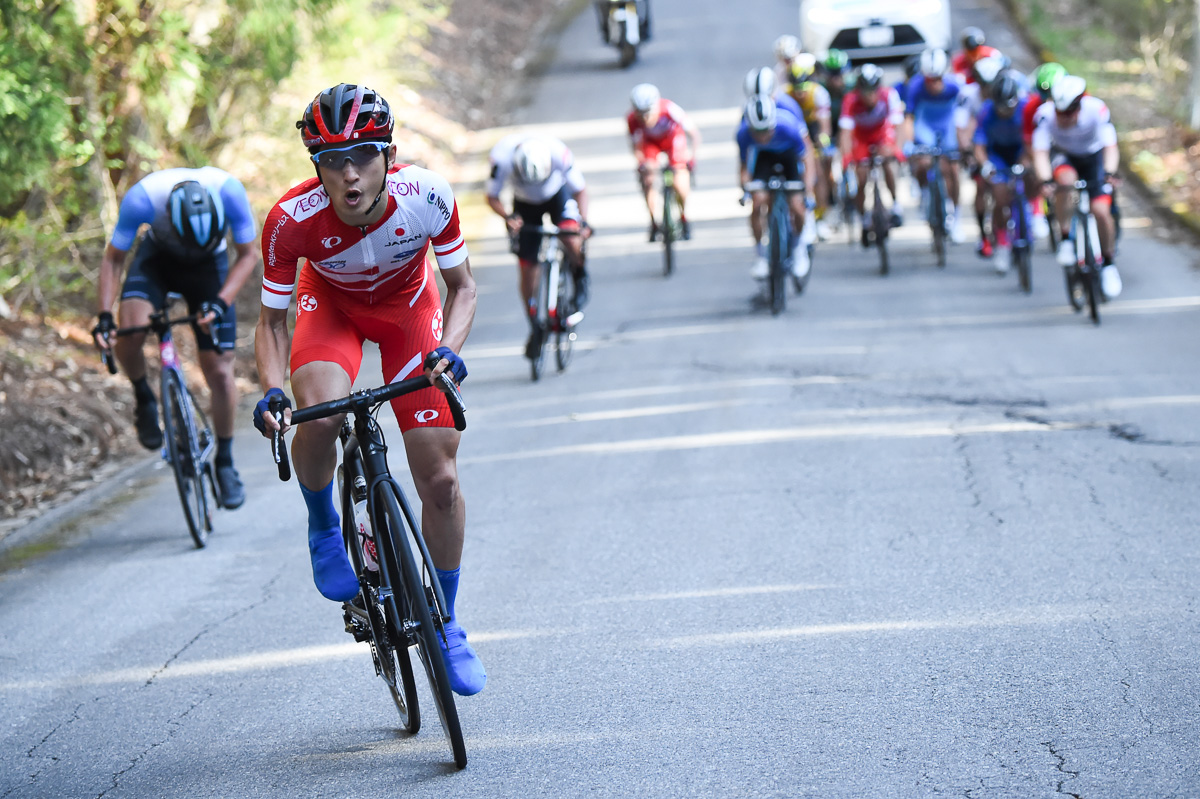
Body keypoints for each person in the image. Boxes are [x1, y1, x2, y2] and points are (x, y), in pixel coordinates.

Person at [251, 83, 485, 696]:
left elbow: (462, 288)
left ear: (388, 154)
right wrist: (273, 391)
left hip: (409, 310)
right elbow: (272, 322)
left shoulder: (428, 196)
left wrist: (448, 354)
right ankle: (324, 521)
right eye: (331, 161)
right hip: (332, 310)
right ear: (316, 168)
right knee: (320, 417)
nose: (348, 175)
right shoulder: (290, 221)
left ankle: (448, 622)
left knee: (441, 480)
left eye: (361, 156)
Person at [92, 167, 257, 509]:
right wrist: (105, 315)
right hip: (157, 262)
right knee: (132, 329)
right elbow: (114, 259)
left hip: (208, 270)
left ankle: (225, 462)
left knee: (220, 371)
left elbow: (248, 256)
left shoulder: (230, 193)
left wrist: (220, 302)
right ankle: (144, 397)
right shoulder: (143, 199)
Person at [486, 134, 590, 361]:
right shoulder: (501, 157)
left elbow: (580, 191)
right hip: (524, 205)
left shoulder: (559, 154)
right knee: (527, 269)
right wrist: (508, 216)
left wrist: (582, 223)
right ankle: (534, 324)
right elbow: (492, 196)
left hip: (557, 196)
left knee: (570, 236)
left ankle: (580, 272)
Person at [1032, 75, 1123, 298]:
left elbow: (1110, 147)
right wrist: (1045, 180)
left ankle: (1109, 263)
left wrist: (1109, 173)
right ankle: (1064, 237)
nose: (1064, 118)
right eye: (1060, 113)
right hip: (1065, 157)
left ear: (1080, 105)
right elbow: (1040, 152)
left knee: (1101, 211)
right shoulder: (1044, 116)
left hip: (1093, 158)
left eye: (1069, 113)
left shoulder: (1096, 110)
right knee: (1065, 183)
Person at [737, 95, 817, 280]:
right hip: (764, 159)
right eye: (757, 132)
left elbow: (807, 159)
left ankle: (798, 249)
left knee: (797, 205)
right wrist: (746, 189)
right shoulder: (743, 134)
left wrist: (808, 190)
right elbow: (743, 167)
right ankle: (761, 256)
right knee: (758, 202)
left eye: (766, 130)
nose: (763, 136)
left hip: (788, 157)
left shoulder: (788, 127)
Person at [974, 74, 1035, 273]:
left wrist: (1026, 162)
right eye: (1001, 108)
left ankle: (1035, 214)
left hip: (1021, 151)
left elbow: (1033, 143)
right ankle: (1002, 243)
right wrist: (985, 165)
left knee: (1031, 177)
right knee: (1000, 197)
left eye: (1009, 107)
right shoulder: (986, 112)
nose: (1005, 112)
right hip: (997, 155)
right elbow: (979, 145)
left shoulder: (1026, 108)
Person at [904, 48, 966, 244]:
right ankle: (924, 192)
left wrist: (964, 144)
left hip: (947, 126)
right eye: (931, 80)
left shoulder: (955, 86)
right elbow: (909, 118)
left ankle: (955, 216)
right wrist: (908, 143)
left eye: (938, 78)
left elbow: (962, 118)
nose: (935, 84)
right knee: (923, 161)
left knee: (953, 170)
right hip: (926, 126)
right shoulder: (915, 87)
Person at [838, 63, 906, 238]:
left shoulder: (889, 95)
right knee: (861, 177)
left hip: (881, 134)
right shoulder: (850, 100)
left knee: (889, 164)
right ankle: (864, 217)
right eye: (865, 90)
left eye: (873, 90)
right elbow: (845, 133)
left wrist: (897, 149)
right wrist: (846, 157)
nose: (869, 95)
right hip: (860, 138)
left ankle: (895, 203)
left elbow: (898, 126)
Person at [627, 83, 701, 242]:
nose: (645, 118)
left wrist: (691, 159)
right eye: (640, 114)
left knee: (679, 178)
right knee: (648, 178)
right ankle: (654, 221)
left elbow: (693, 134)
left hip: (672, 138)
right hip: (651, 143)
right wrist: (641, 163)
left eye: (648, 113)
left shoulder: (669, 109)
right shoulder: (632, 119)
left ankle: (683, 216)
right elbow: (635, 146)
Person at [784, 56, 834, 239]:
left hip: (812, 129)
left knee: (819, 172)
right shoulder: (785, 94)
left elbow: (824, 125)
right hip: (794, 132)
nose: (800, 94)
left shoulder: (818, 93)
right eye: (797, 90)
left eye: (803, 90)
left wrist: (823, 140)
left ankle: (821, 217)